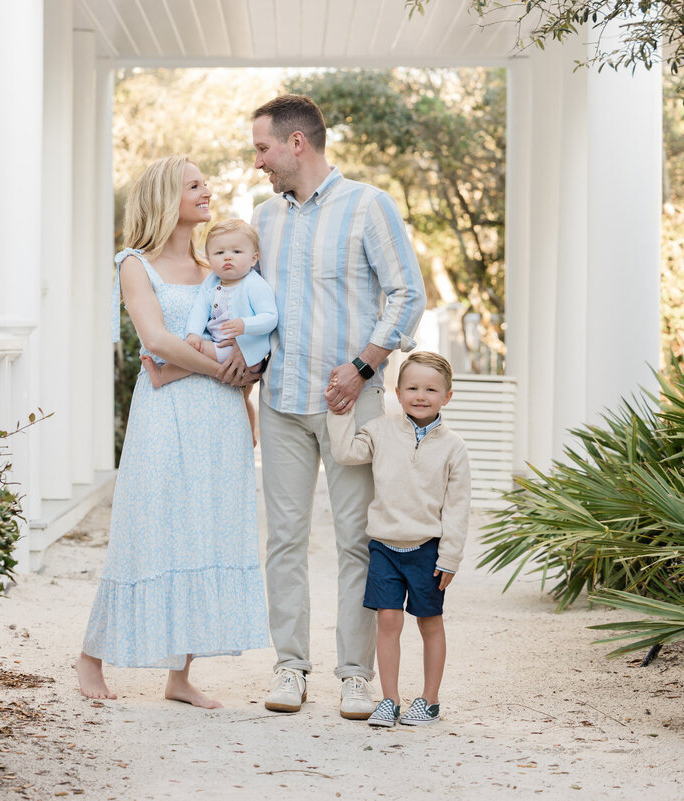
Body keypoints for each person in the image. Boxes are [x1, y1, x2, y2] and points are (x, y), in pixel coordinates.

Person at [244, 94, 427, 719]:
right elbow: (256, 303)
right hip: (282, 401)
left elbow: (407, 294)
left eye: (263, 148)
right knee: (285, 542)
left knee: (356, 541)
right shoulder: (263, 218)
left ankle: (355, 675)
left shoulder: (368, 205)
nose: (258, 162)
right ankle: (289, 668)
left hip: (354, 403)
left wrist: (363, 366)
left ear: (297, 143)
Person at [76, 155, 269, 709]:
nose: (207, 191)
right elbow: (156, 342)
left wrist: (237, 373)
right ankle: (92, 654)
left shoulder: (220, 267)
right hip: (165, 415)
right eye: (194, 186)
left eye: (205, 182)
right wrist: (218, 367)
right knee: (148, 530)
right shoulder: (135, 264)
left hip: (222, 416)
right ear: (166, 197)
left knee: (207, 529)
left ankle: (180, 675)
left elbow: (247, 339)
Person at [326, 351, 471, 727]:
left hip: (428, 551)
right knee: (388, 621)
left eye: (431, 389)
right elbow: (344, 453)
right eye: (412, 388)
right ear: (397, 391)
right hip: (385, 548)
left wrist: (450, 558)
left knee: (430, 622)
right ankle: (389, 700)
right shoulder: (380, 429)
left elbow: (457, 507)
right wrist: (338, 412)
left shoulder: (453, 447)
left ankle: (430, 701)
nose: (420, 395)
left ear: (447, 396)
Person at [141, 219, 275, 444]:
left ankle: (164, 375)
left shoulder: (254, 284)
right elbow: (200, 308)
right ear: (209, 258)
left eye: (236, 251)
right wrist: (193, 332)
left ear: (254, 258)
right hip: (221, 343)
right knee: (196, 348)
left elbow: (270, 318)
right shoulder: (212, 281)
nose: (228, 257)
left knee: (199, 351)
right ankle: (250, 433)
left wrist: (244, 325)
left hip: (244, 351)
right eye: (220, 252)